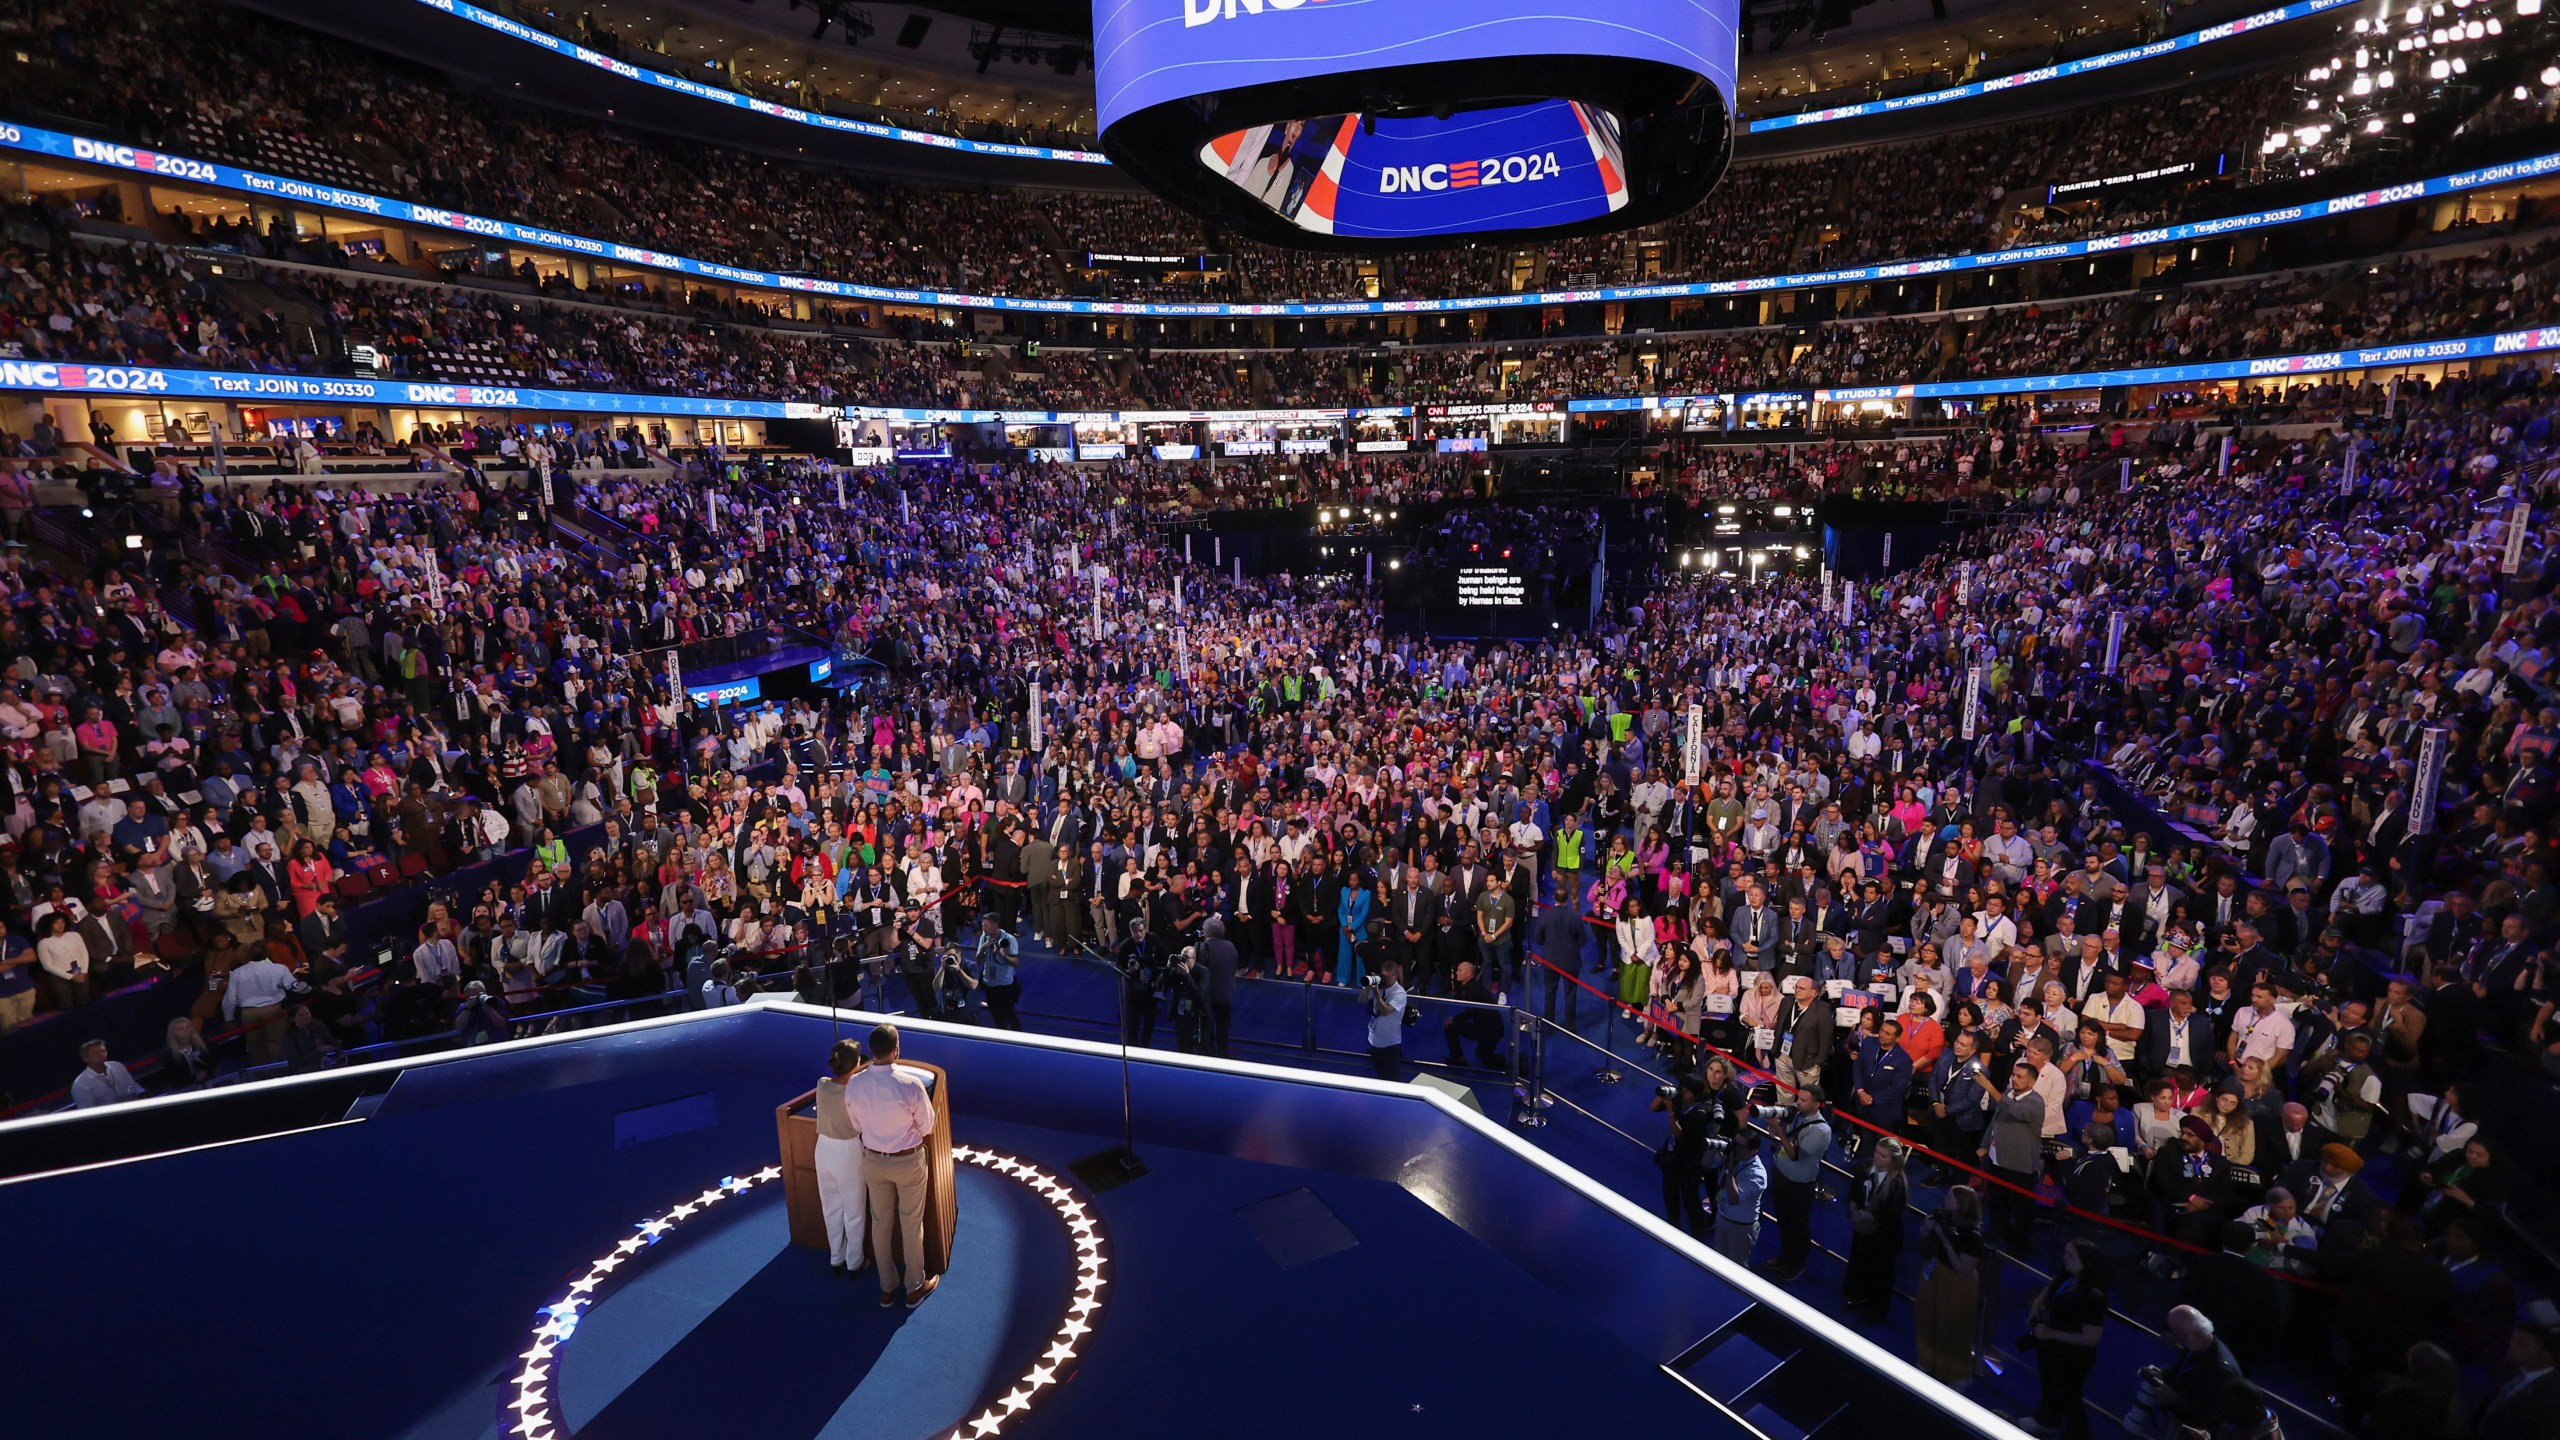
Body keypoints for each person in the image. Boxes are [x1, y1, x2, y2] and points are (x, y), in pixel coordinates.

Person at [844, 1023, 939, 1308]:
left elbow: (855, 1124)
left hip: (873, 1160)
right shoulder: (910, 1085)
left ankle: (887, 1288)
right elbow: (928, 1126)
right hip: (908, 1162)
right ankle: (914, 1287)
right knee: (911, 1223)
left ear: (871, 1051)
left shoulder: (855, 1083)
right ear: (896, 1050)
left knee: (880, 1223)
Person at [2023, 1239, 2109, 1440]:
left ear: (2086, 1263)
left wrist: (2052, 1334)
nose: (2065, 1258)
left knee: (2069, 1398)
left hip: (2073, 1356)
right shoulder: (2067, 1276)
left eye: (2071, 1255)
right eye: (2065, 1253)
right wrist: (2036, 1308)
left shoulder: (2092, 1296)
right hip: (2050, 1345)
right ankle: (2046, 1421)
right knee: (2050, 1387)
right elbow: (2048, 1291)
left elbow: (2091, 1338)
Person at [2128, 1305, 2250, 1440]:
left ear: (2192, 1335)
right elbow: (2183, 1369)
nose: (2174, 1338)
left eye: (2178, 1335)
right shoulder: (2198, 1344)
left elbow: (2210, 1417)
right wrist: (2160, 1373)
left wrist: (2175, 1399)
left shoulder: (2221, 1370)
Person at [1913, 1185, 1986, 1386]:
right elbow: (1922, 1237)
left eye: (1950, 1197)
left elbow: (1963, 1269)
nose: (1945, 1199)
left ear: (1961, 1205)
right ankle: (1926, 1360)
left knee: (1952, 1326)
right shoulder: (1942, 1217)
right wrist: (1927, 1229)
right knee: (1925, 1315)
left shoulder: (1973, 1238)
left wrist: (1944, 1238)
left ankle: (1954, 1373)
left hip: (1958, 1283)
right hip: (1934, 1270)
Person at [1759, 1082, 1831, 1283]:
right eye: (1799, 1098)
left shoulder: (1821, 1131)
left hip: (1799, 1185)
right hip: (1781, 1175)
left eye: (1804, 1100)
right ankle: (1784, 1256)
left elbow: (1794, 1154)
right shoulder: (1795, 1115)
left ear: (1817, 1104)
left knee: (1798, 1227)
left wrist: (1777, 1129)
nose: (1798, 1103)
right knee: (1783, 1221)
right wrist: (1777, 1124)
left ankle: (1796, 1264)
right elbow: (1778, 1138)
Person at [813, 1039, 870, 1278]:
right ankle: (854, 1262)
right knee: (854, 1210)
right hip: (848, 1151)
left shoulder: (822, 1084)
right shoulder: (856, 1091)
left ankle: (836, 1257)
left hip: (823, 1149)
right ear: (856, 1063)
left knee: (831, 1206)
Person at [1842, 1138, 1909, 1324]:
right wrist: (1855, 1211)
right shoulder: (1865, 1168)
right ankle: (1860, 1295)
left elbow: (1891, 1213)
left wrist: (1866, 1217)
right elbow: (1854, 1192)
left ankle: (1877, 1310)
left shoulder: (1897, 1184)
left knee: (1881, 1274)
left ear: (1893, 1160)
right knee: (1860, 1263)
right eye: (1876, 1153)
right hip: (1863, 1230)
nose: (1877, 1158)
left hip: (1884, 1237)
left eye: (1883, 1156)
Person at [1654, 1072, 1720, 1239]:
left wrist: (1670, 1111)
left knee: (1690, 1202)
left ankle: (1697, 1237)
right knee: (1670, 1196)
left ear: (1696, 1094)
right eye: (1682, 1089)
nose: (1683, 1094)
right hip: (1671, 1158)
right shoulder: (1678, 1101)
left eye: (1687, 1091)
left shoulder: (1699, 1114)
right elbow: (1652, 1107)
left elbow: (1679, 1134)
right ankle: (1673, 1229)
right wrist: (1664, 1094)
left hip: (1687, 1164)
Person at [222, 944, 302, 1065]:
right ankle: (280, 1070)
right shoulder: (279, 969)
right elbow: (294, 987)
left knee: (256, 1046)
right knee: (277, 1042)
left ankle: (262, 1073)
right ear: (266, 954)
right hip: (274, 1011)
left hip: (249, 1014)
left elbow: (230, 999)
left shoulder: (237, 973)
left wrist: (229, 1019)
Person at [1713, 1127, 1767, 1265]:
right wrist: (1714, 1147)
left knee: (1736, 1266)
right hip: (1722, 1216)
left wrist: (1729, 1171)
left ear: (1753, 1151)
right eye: (1734, 1143)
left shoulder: (1757, 1174)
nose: (1734, 1148)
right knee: (1718, 1259)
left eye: (1740, 1146)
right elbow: (1705, 1163)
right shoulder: (1732, 1156)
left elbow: (1734, 1199)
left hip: (1740, 1227)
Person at [1443, 958, 1504, 1067]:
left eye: (1459, 970)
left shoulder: (1472, 989)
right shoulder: (1472, 987)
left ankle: (1458, 1059)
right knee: (1484, 1055)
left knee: (1450, 1027)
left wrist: (1454, 1020)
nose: (1456, 973)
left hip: (1489, 1030)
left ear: (1469, 974)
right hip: (1490, 1027)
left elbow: (1470, 1012)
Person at [1195, 914, 1237, 1054]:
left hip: (1208, 995)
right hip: (1226, 993)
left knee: (1207, 1026)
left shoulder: (1202, 947)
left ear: (1206, 932)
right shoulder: (1231, 946)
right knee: (1223, 1027)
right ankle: (1223, 1053)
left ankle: (1208, 1053)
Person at [974, 915, 1024, 1030]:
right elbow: (978, 960)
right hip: (989, 984)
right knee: (997, 1017)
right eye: (982, 926)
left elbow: (1016, 962)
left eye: (986, 926)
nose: (983, 928)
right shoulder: (984, 937)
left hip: (1005, 985)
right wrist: (983, 948)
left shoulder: (1009, 939)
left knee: (1010, 1015)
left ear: (995, 925)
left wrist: (1002, 955)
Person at [1362, 960, 1408, 1079]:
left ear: (1396, 976)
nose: (1385, 979)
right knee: (1381, 1075)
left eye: (1388, 976)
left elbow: (1385, 1011)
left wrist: (1377, 994)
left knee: (1392, 1078)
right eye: (1383, 976)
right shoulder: (1380, 987)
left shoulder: (1400, 993)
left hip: (1390, 1043)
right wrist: (1368, 986)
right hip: (1375, 1040)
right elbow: (1361, 1000)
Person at [68, 1038, 145, 1108]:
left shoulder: (117, 1066)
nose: (101, 1054)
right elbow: (88, 1111)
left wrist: (141, 1096)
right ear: (85, 1058)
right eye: (95, 1053)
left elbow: (132, 1085)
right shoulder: (80, 1084)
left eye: (103, 1051)